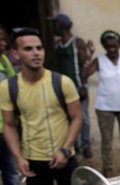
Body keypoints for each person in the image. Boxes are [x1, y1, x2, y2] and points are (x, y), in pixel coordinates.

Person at [0, 28, 115, 185]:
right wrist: (18, 157)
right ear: (16, 53)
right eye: (28, 49)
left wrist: (65, 149)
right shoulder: (8, 88)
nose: (35, 53)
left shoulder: (61, 82)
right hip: (33, 159)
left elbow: (76, 118)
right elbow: (9, 124)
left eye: (39, 48)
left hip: (65, 156)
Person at [82, 30, 120, 178]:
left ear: (119, 45)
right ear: (104, 46)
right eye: (108, 46)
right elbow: (85, 75)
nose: (111, 49)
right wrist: (89, 55)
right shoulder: (99, 60)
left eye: (114, 46)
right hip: (105, 107)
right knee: (107, 139)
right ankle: (108, 168)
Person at [0, 24, 38, 185]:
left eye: (3, 39)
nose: (3, 43)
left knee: (10, 168)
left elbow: (13, 85)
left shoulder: (5, 61)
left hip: (5, 126)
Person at [49, 13, 94, 159]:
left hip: (78, 87)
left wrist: (84, 85)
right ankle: (74, 145)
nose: (53, 27)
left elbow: (85, 64)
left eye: (55, 24)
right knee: (68, 118)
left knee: (84, 118)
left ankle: (86, 145)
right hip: (63, 88)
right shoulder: (57, 46)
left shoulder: (77, 43)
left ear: (62, 25)